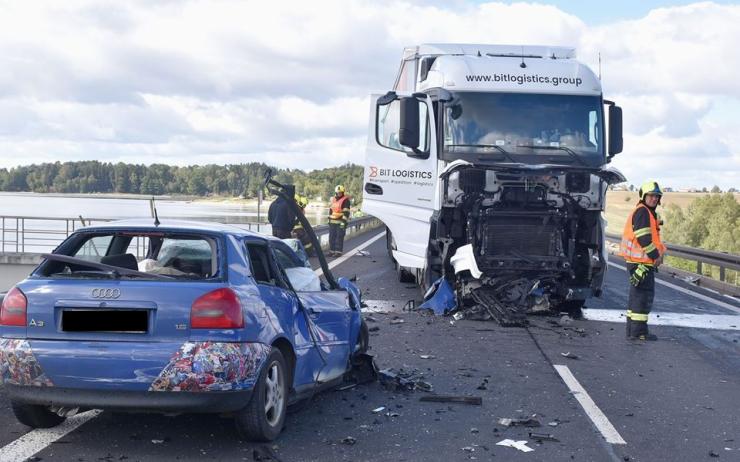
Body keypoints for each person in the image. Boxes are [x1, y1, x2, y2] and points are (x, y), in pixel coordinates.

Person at [619, 180, 667, 341]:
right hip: (642, 263)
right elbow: (644, 238)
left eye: (656, 196)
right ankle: (639, 332)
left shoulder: (646, 212)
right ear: (644, 196)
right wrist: (656, 256)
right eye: (651, 196)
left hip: (639, 262)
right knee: (643, 297)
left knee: (637, 296)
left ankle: (632, 330)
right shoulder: (643, 212)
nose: (654, 199)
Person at [328, 185, 351, 256]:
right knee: (331, 237)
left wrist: (343, 223)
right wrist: (329, 220)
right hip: (332, 222)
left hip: (341, 222)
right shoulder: (333, 200)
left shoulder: (345, 200)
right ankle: (332, 251)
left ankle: (338, 252)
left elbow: (346, 212)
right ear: (336, 192)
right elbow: (331, 210)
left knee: (339, 237)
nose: (339, 194)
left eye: (340, 192)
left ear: (343, 192)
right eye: (338, 192)